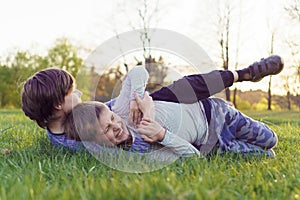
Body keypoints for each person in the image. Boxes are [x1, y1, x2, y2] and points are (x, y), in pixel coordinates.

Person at [22, 55, 283, 152]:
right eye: (72, 92)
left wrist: (138, 101)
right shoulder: (72, 140)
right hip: (168, 131)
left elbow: (134, 80)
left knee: (171, 92)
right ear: (58, 105)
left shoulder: (68, 120)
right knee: (168, 96)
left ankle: (243, 73)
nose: (78, 96)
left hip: (144, 112)